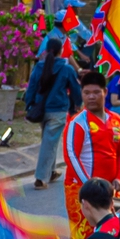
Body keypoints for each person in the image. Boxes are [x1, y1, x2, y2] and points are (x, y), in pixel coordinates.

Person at [59, 71, 120, 239]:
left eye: (96, 92)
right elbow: (71, 156)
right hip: (82, 190)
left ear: (105, 92)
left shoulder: (117, 121)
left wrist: (119, 178)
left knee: (111, 237)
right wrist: (90, 187)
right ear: (81, 94)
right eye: (86, 93)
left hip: (110, 191)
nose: (91, 97)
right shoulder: (77, 123)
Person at [26, 33, 80, 187]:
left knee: (49, 141)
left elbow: (32, 87)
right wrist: (77, 103)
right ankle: (41, 178)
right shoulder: (66, 68)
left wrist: (29, 104)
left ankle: (50, 172)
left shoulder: (39, 66)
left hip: (41, 110)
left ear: (46, 50)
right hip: (58, 110)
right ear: (60, 51)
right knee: (49, 143)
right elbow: (75, 89)